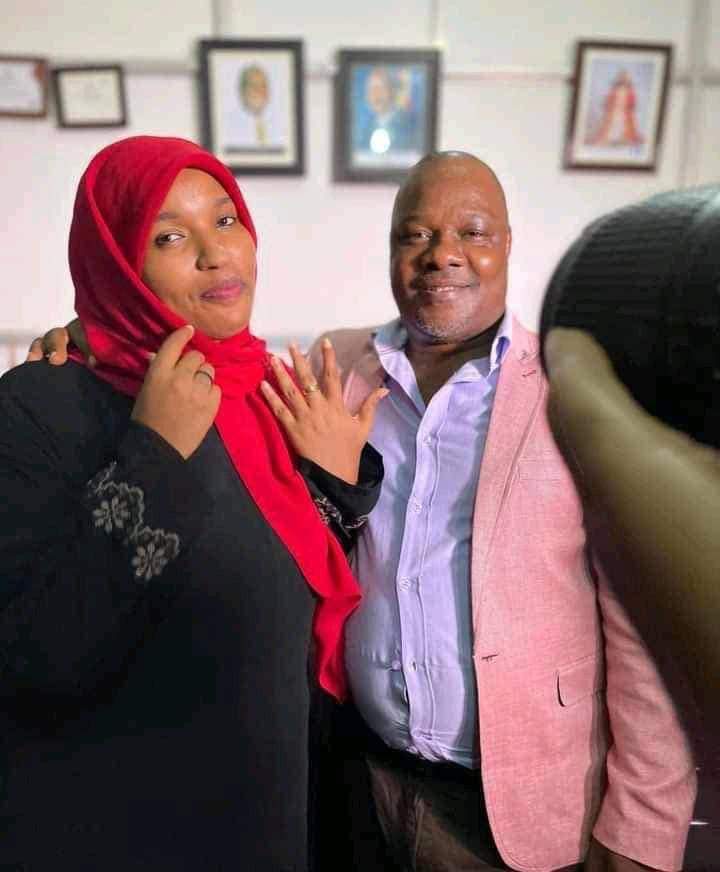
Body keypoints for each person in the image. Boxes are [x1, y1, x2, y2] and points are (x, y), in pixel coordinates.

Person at [29, 151, 698, 872]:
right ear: (390, 250)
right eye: (416, 234)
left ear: (508, 244)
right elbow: (192, 354)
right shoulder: (330, 372)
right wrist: (91, 334)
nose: (443, 254)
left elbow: (649, 627)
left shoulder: (578, 393)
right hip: (355, 790)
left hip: (523, 816)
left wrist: (641, 831)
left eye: (473, 232)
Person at [1, 135, 386, 871]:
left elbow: (273, 591)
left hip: (263, 818)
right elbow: (40, 657)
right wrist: (151, 453)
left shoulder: (268, 393)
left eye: (226, 220)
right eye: (170, 236)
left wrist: (334, 486)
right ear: (117, 262)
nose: (216, 254)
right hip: (120, 830)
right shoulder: (40, 406)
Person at [543, 327, 720, 729]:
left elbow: (637, 624)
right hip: (391, 752)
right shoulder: (375, 375)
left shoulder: (575, 380)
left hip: (554, 751)